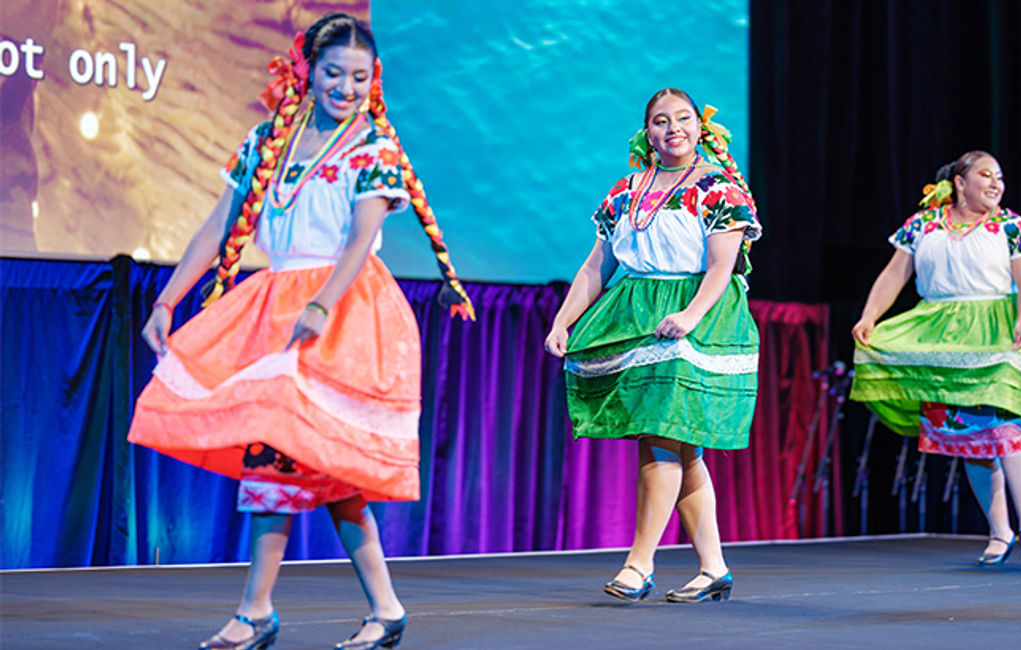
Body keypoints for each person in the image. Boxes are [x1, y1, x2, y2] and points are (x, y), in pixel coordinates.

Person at [127, 13, 474, 649]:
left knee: (285, 461)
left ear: (374, 82)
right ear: (307, 70)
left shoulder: (373, 150)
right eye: (334, 73)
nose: (345, 87)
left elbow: (360, 239)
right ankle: (382, 609)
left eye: (359, 77)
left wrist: (319, 306)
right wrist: (168, 299)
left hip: (342, 312)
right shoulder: (267, 142)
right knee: (317, 474)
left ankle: (257, 611)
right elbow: (217, 228)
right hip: (274, 306)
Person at [545, 88, 760, 603]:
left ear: (700, 127)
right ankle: (713, 568)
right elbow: (598, 264)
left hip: (693, 314)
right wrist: (564, 318)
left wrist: (689, 315)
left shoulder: (717, 188)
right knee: (679, 444)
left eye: (683, 118)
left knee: (660, 434)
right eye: (661, 121)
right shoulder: (626, 189)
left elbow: (720, 266)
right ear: (648, 132)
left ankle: (639, 564)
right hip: (636, 313)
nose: (673, 129)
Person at [850, 151, 1021, 566]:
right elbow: (894, 274)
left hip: (997, 329)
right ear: (960, 181)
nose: (995, 184)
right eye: (985, 175)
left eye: (1000, 177)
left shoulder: (1010, 225)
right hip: (942, 333)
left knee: (1010, 425)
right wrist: (870, 316)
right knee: (970, 438)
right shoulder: (923, 225)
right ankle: (998, 531)